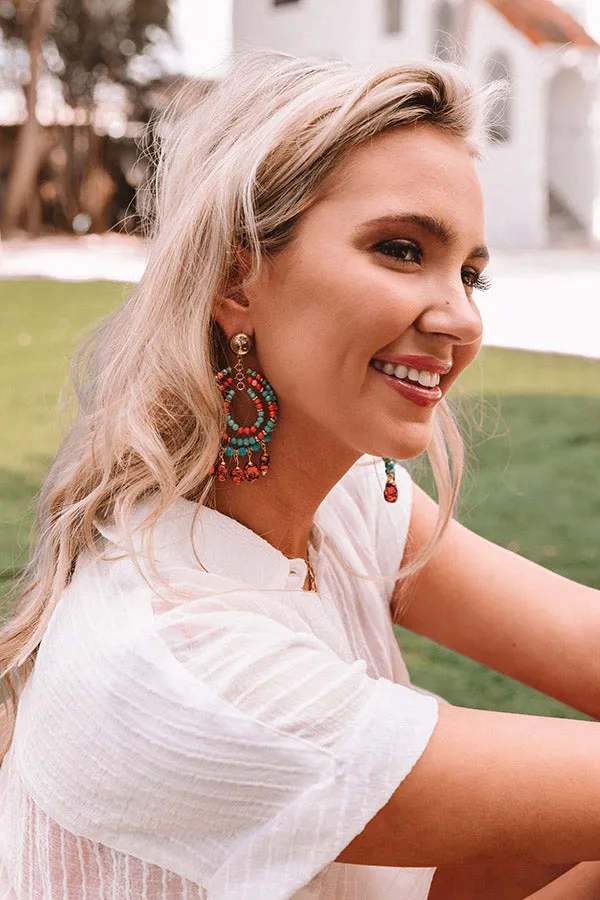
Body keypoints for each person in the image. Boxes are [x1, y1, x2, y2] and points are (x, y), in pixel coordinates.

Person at [0, 50, 599, 900]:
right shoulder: (183, 662)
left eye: (470, 272)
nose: (461, 317)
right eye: (400, 249)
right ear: (237, 278)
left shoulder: (343, 501)